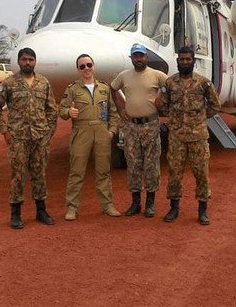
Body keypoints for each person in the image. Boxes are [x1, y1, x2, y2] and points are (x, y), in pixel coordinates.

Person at [0, 48, 58, 229]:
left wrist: (48, 132)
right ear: (19, 61)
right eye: (24, 59)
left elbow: (52, 109)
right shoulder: (9, 83)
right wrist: (5, 132)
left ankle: (41, 211)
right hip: (18, 138)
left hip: (40, 138)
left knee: (39, 174)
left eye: (31, 60)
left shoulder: (43, 82)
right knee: (18, 176)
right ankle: (15, 214)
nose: (28, 63)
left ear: (35, 62)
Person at [156, 46, 221, 226]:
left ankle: (202, 210)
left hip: (198, 137)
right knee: (174, 174)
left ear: (193, 61)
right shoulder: (170, 83)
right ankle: (174, 207)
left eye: (188, 59)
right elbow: (162, 105)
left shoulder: (204, 83)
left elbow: (215, 105)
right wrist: (175, 118)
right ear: (177, 61)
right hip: (176, 137)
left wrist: (199, 118)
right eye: (182, 59)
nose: (185, 62)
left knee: (201, 174)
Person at [59, 54, 122, 220]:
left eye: (89, 65)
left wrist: (111, 131)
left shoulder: (104, 88)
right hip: (81, 132)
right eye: (82, 66)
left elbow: (113, 112)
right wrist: (68, 112)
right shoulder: (72, 89)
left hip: (102, 132)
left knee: (103, 171)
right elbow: (62, 110)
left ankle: (107, 205)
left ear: (94, 66)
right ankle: (72, 208)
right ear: (78, 70)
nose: (86, 69)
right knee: (76, 172)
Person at [110, 44, 168, 218]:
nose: (138, 59)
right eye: (135, 56)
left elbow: (171, 86)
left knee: (151, 164)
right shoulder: (124, 76)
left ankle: (150, 203)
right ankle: (135, 203)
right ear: (131, 58)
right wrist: (120, 109)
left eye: (141, 56)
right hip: (131, 126)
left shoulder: (157, 75)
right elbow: (112, 88)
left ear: (146, 57)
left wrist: (162, 99)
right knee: (133, 164)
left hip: (150, 125)